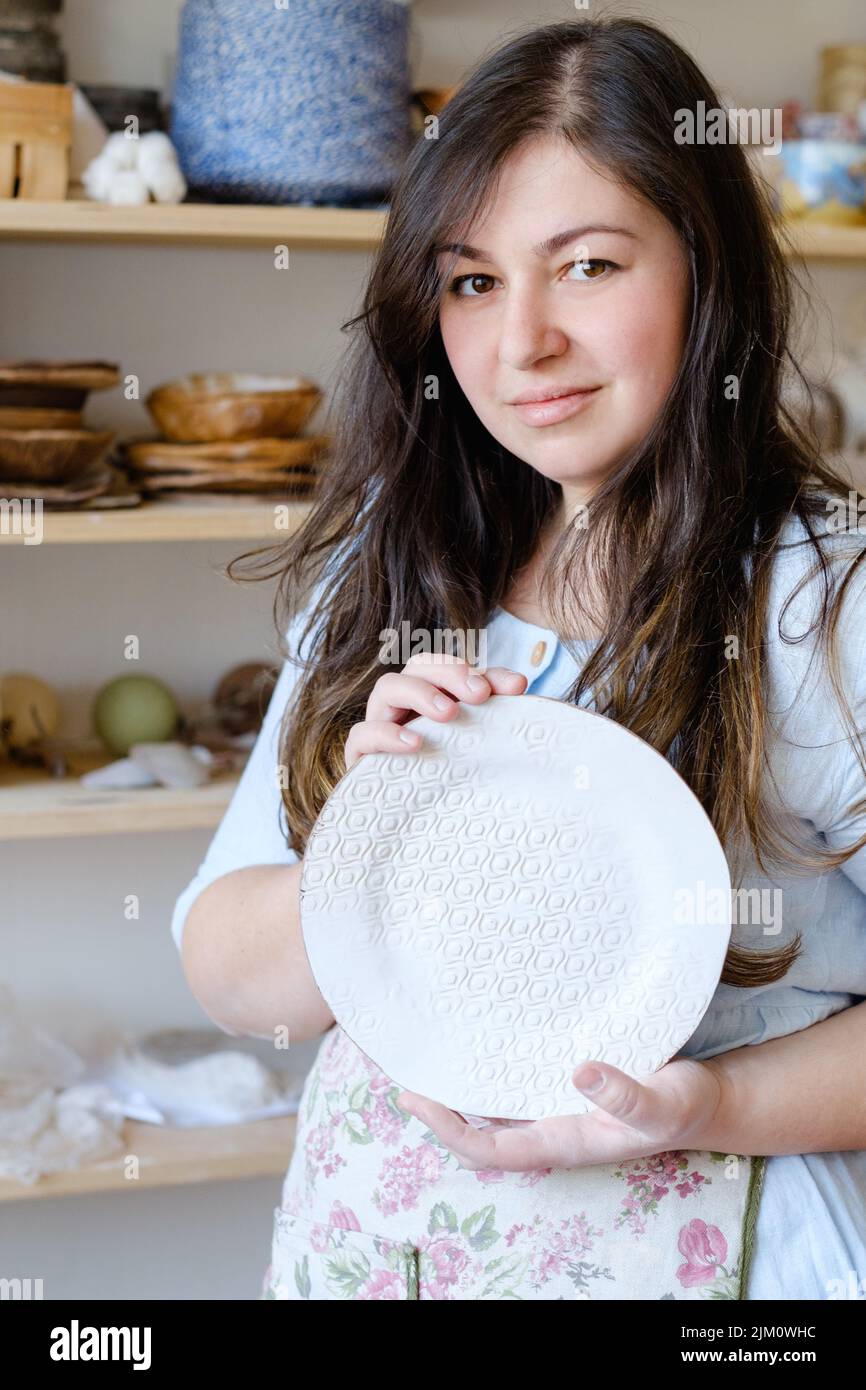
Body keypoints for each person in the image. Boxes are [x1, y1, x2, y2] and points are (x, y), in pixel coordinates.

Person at [171, 16, 866, 1300]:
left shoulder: (823, 601)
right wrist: (366, 836)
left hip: (709, 1254)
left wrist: (706, 1100)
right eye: (472, 280)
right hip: (378, 1246)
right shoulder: (393, 562)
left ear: (706, 270)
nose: (520, 340)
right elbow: (224, 964)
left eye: (588, 265)